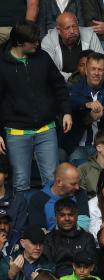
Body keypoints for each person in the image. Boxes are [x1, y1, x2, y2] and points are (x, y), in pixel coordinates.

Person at [0, 21, 72, 194]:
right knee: (20, 184)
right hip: (16, 132)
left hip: (46, 129)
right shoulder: (1, 65)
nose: (38, 44)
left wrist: (67, 112)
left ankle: (51, 221)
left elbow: (59, 86)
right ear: (19, 43)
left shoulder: (43, 57)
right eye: (33, 41)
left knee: (53, 182)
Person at [41, 12, 104, 81]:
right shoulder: (48, 41)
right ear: (58, 30)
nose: (72, 31)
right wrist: (75, 79)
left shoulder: (90, 35)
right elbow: (50, 71)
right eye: (67, 28)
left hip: (88, 85)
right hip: (60, 84)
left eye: (74, 26)